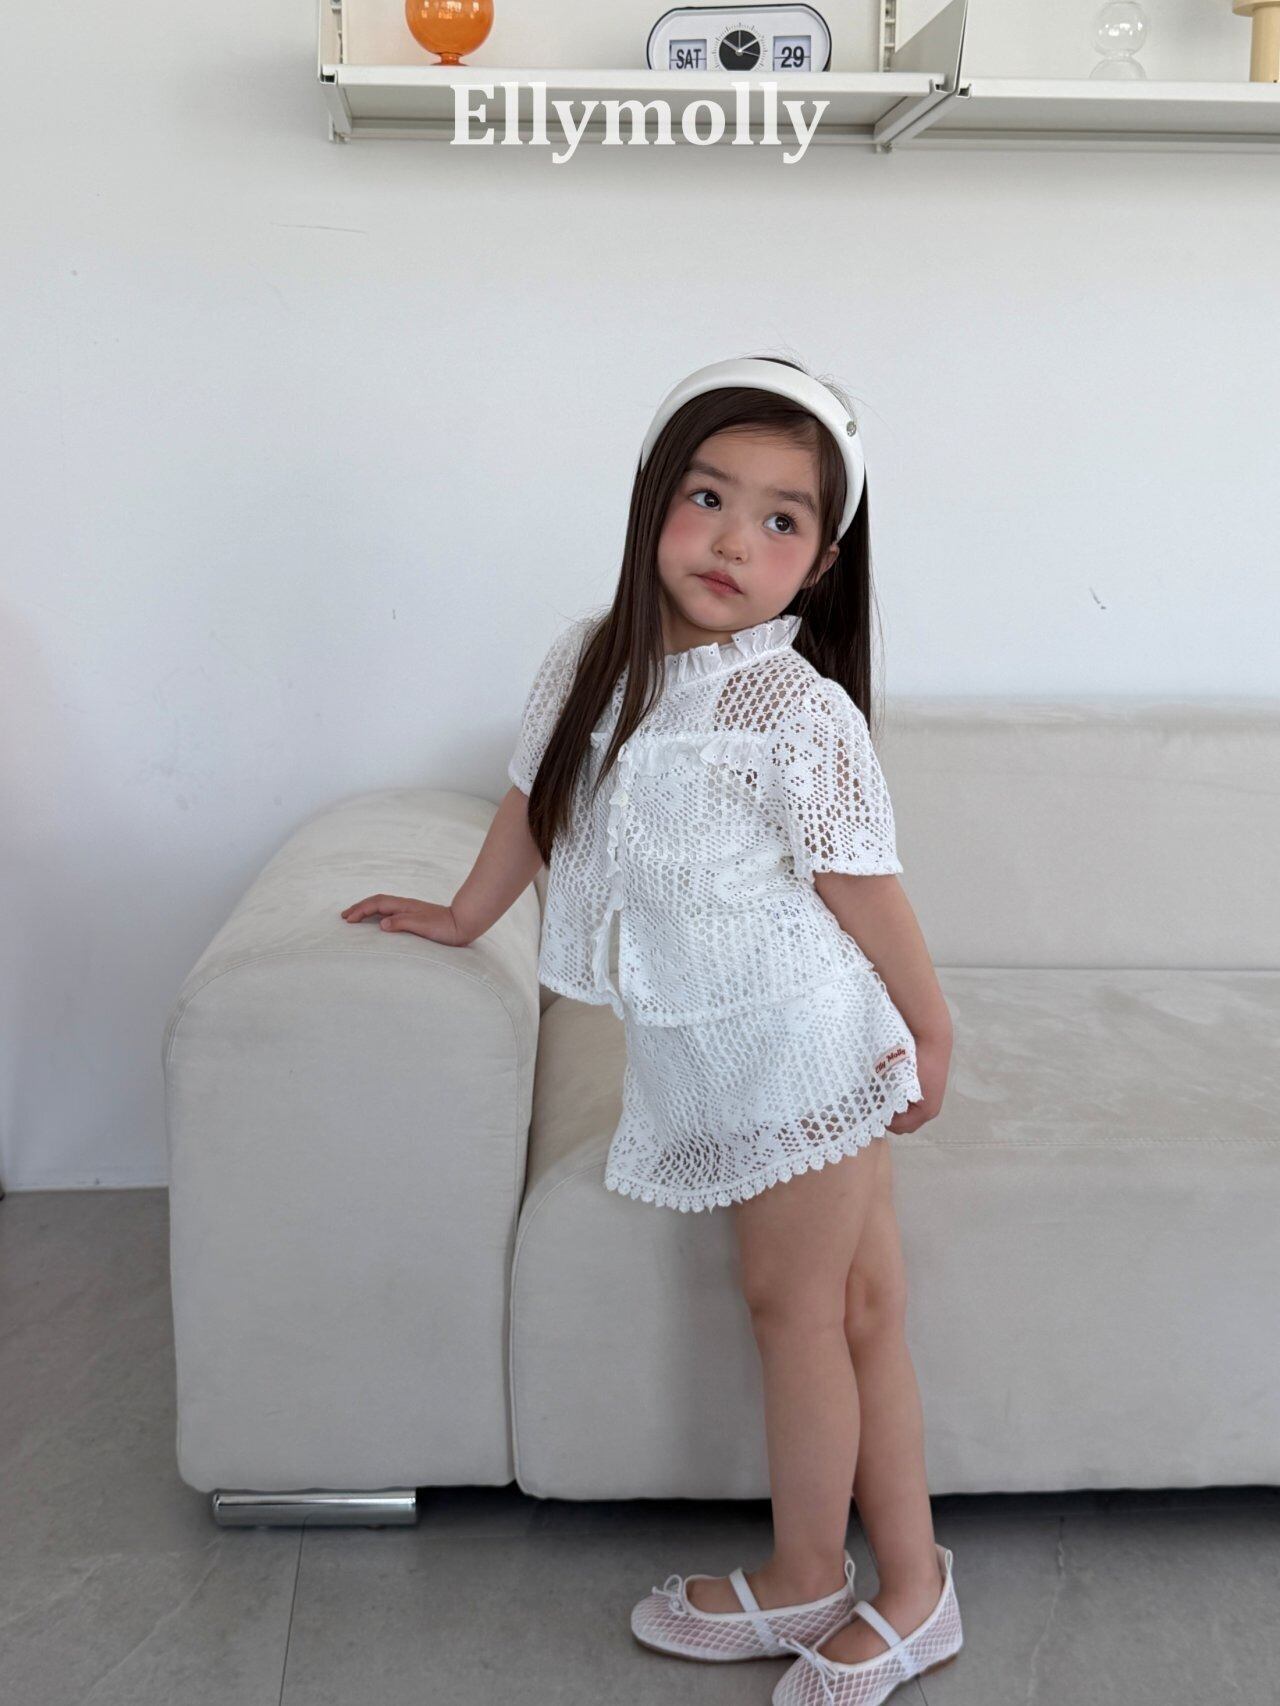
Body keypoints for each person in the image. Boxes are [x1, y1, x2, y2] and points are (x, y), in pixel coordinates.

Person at [340, 354, 963, 1705]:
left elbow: (865, 886)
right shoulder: (591, 659)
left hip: (803, 1037)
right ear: (651, 502)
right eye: (707, 496)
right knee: (855, 1307)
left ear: (823, 562)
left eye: (780, 519)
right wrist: (465, 916)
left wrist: (929, 1028)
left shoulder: (791, 708)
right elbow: (534, 801)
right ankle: (911, 1588)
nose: (734, 540)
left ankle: (824, 1576)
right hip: (712, 1040)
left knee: (805, 1309)